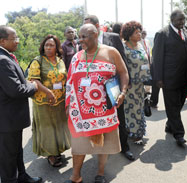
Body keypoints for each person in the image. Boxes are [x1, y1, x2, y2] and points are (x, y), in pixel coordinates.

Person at [64, 23, 129, 183]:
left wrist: (123, 92)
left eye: (84, 36)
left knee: (104, 144)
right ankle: (75, 176)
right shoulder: (77, 57)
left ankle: (100, 173)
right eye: (79, 37)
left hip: (104, 110)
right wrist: (68, 106)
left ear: (95, 35)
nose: (80, 40)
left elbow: (123, 72)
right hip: (80, 113)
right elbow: (70, 82)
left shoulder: (111, 52)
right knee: (79, 146)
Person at [0, 25, 42, 183]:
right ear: (3, 41)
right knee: (7, 160)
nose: (17, 41)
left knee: (16, 152)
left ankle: (22, 177)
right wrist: (34, 86)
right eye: (14, 38)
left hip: (10, 118)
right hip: (4, 119)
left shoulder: (3, 55)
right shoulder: (1, 60)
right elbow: (16, 90)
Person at [84, 15, 135, 161]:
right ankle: (101, 149)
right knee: (97, 118)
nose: (86, 33)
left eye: (89, 28)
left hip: (113, 86)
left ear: (97, 26)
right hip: (92, 90)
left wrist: (125, 84)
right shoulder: (83, 42)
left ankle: (124, 147)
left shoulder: (113, 38)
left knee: (119, 116)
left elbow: (123, 63)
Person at [152, 9, 187, 146]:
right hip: (169, 78)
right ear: (172, 20)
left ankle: (169, 125)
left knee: (178, 104)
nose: (182, 22)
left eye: (184, 19)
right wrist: (158, 78)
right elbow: (157, 58)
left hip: (186, 76)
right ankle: (179, 134)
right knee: (173, 106)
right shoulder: (162, 34)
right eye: (180, 20)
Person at [28, 34, 70, 167]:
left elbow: (65, 77)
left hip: (60, 100)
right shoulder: (37, 60)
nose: (48, 47)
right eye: (46, 45)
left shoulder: (60, 60)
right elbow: (34, 80)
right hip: (44, 101)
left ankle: (58, 150)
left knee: (58, 126)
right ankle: (50, 154)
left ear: (57, 47)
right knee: (47, 128)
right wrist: (48, 92)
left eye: (52, 45)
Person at [121, 21, 151, 144]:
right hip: (129, 85)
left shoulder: (140, 45)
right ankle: (133, 132)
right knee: (129, 109)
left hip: (140, 85)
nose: (139, 34)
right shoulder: (123, 47)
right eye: (136, 32)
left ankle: (137, 131)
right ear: (129, 34)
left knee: (138, 108)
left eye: (140, 31)